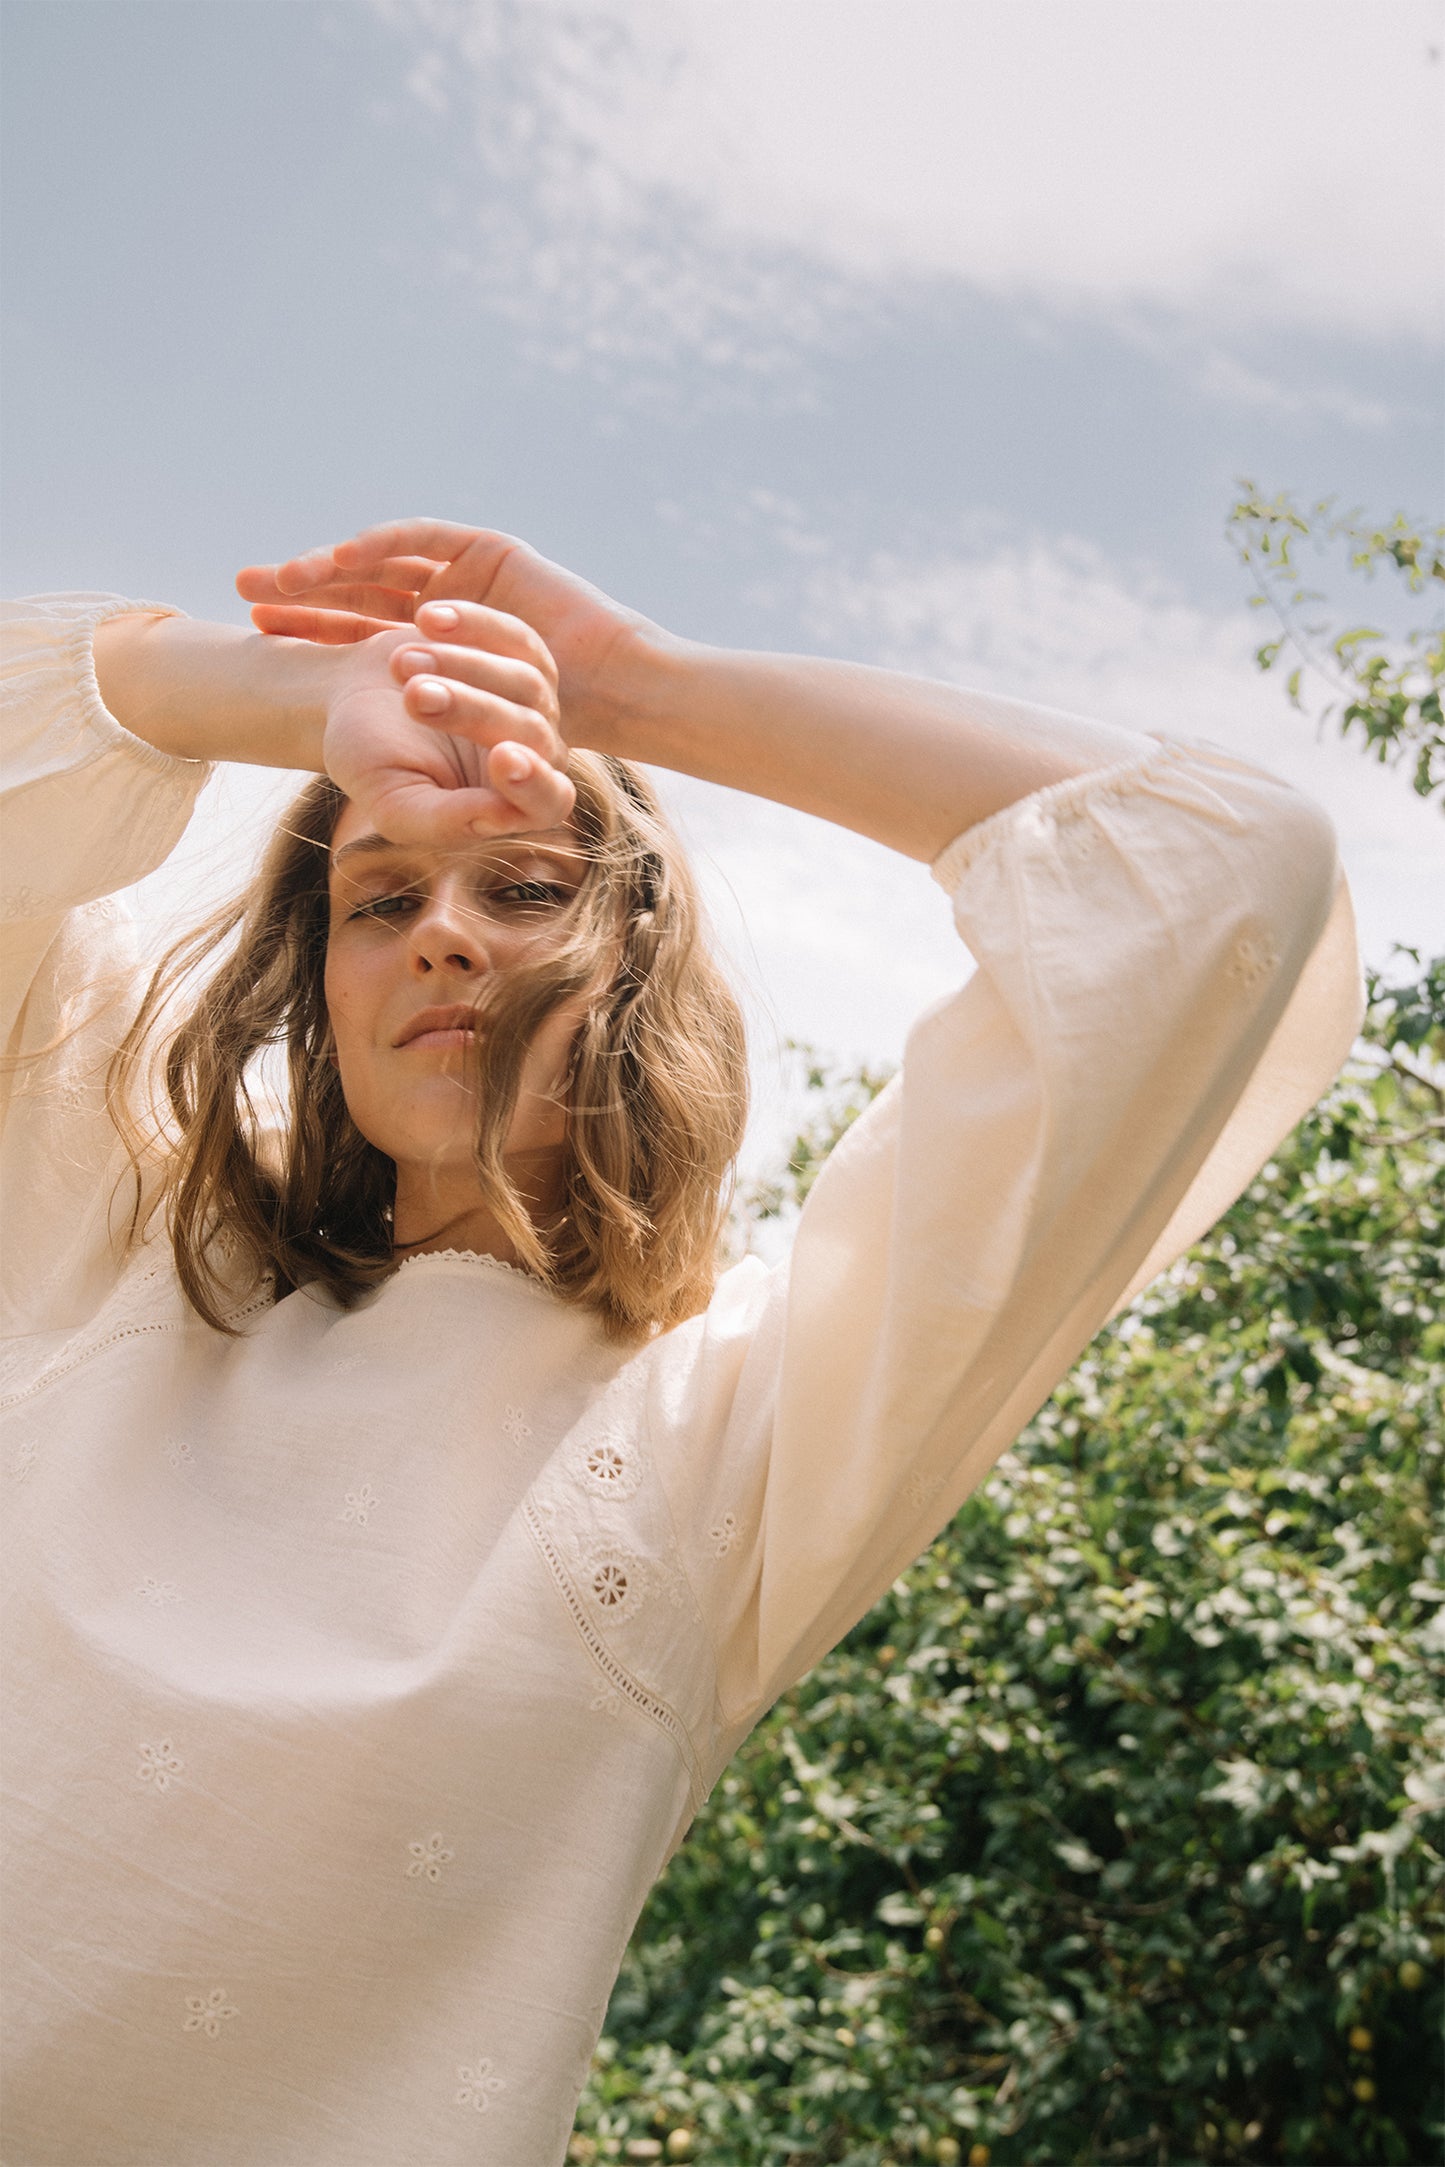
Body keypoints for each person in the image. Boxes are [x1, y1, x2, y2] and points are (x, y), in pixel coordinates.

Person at [0, 519, 1361, 2166]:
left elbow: (1220, 877)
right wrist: (298, 701)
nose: (442, 933)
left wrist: (630, 689)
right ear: (321, 984)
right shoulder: (115, 1235)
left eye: (523, 886)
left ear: (635, 971)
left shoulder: (731, 1433)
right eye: (379, 897)